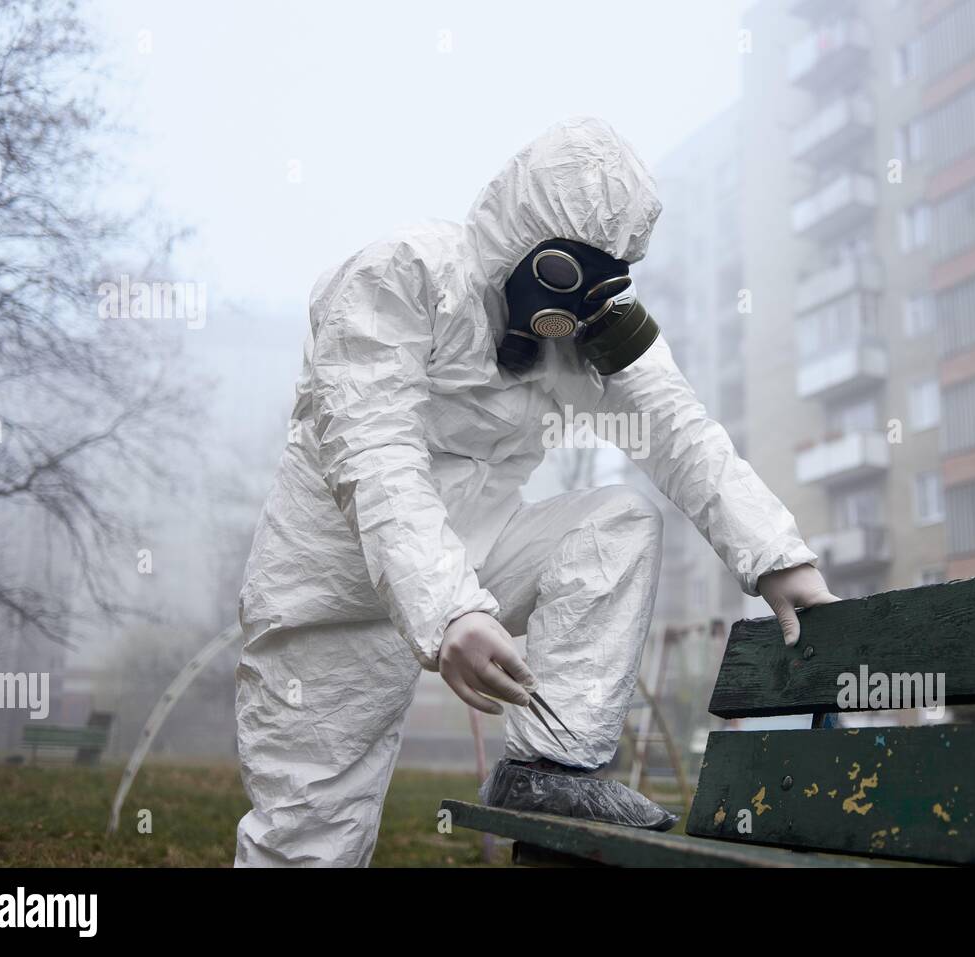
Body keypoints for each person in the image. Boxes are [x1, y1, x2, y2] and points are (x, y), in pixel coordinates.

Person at [234, 116, 838, 867]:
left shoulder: (585, 333)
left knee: (616, 525)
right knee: (310, 843)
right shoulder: (399, 277)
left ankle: (548, 771)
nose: (583, 301)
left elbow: (680, 431)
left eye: (605, 277)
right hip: (330, 601)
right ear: (525, 241)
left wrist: (780, 558)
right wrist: (447, 608)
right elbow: (376, 458)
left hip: (472, 566)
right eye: (568, 271)